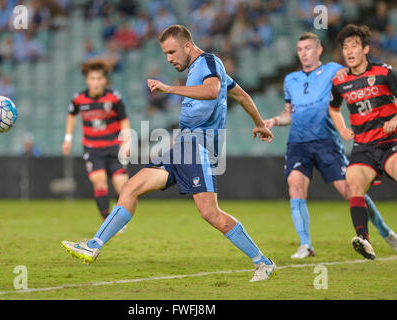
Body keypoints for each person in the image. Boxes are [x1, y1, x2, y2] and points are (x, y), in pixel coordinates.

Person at [61, 25, 277, 282]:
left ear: (187, 46)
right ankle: (94, 245)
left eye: (172, 52)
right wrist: (260, 123)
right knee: (130, 187)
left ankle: (262, 262)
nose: (169, 58)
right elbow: (240, 95)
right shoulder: (198, 68)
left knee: (210, 213)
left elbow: (212, 91)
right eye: (165, 53)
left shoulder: (208, 62)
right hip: (182, 146)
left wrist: (169, 88)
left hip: (199, 148)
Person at [265, 32, 396, 259]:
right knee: (294, 184)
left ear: (319, 50)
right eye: (299, 49)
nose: (303, 53)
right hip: (298, 142)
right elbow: (289, 114)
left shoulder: (335, 71)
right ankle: (305, 244)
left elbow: (354, 81)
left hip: (326, 142)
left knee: (350, 190)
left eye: (308, 48)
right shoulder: (291, 80)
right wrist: (275, 121)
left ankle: (385, 232)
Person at [329, 24, 397, 260]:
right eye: (345, 47)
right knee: (354, 186)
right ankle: (364, 240)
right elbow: (334, 108)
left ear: (366, 49)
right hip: (363, 147)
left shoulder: (385, 72)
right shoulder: (339, 82)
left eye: (354, 45)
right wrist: (342, 128)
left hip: (391, 142)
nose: (349, 51)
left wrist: (396, 118)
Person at [62, 60, 131, 223]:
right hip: (92, 149)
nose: (96, 82)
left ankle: (117, 214)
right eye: (92, 78)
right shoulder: (78, 99)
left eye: (99, 78)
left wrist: (127, 141)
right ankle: (107, 222)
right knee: (99, 183)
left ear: (105, 80)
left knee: (122, 188)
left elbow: (124, 119)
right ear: (87, 80)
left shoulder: (114, 98)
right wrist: (68, 139)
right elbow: (71, 115)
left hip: (114, 148)